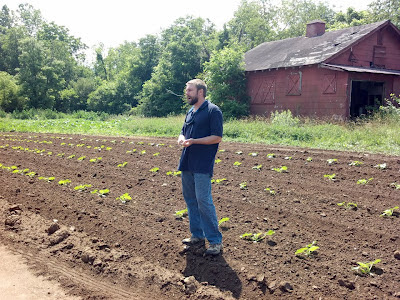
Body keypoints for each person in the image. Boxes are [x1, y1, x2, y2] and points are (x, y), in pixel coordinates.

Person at [177, 78, 223, 255]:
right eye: (187, 90)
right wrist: (181, 138)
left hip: (202, 164)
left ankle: (215, 241)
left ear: (200, 92)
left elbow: (217, 137)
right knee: (190, 199)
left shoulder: (213, 111)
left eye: (190, 90)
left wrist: (194, 141)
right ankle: (197, 235)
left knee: (203, 201)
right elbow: (183, 131)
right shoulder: (190, 112)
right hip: (187, 162)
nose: (186, 93)